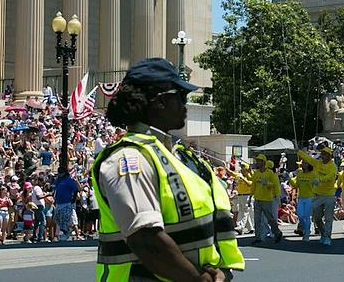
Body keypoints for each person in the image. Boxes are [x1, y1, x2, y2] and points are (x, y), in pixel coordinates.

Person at [92, 57, 244, 281]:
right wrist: (197, 279)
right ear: (160, 102)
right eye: (181, 96)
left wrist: (221, 270)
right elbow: (145, 239)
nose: (185, 104)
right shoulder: (129, 158)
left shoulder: (180, 156)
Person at [297, 145, 339, 246]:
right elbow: (308, 158)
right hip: (317, 195)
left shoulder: (333, 166)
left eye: (325, 154)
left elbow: (330, 177)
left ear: (330, 156)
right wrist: (298, 151)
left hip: (329, 195)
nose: (322, 156)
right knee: (317, 218)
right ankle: (323, 232)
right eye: (322, 154)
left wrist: (320, 180)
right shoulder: (317, 163)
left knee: (328, 218)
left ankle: (327, 237)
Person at [250, 156, 282, 244]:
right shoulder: (256, 173)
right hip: (257, 199)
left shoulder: (270, 173)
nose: (257, 162)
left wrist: (267, 184)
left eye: (259, 161)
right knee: (257, 219)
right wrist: (250, 196)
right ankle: (258, 237)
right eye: (257, 161)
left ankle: (277, 233)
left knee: (270, 219)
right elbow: (253, 185)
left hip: (267, 199)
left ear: (264, 162)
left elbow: (275, 185)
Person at [288, 160, 315, 241]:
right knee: (300, 216)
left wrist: (316, 183)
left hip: (310, 198)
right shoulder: (300, 174)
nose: (303, 164)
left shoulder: (313, 174)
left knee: (306, 216)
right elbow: (296, 185)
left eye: (305, 163)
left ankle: (306, 233)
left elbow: (317, 185)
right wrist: (290, 179)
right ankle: (306, 229)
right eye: (303, 163)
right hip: (301, 197)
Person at [53, 168, 79, 242]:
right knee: (57, 218)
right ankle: (67, 231)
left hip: (67, 203)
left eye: (61, 172)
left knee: (65, 219)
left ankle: (64, 234)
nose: (59, 173)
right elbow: (53, 187)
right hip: (58, 203)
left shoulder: (70, 181)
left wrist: (73, 199)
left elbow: (76, 189)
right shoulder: (58, 180)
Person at [233, 163, 255, 235]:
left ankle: (240, 226)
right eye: (241, 168)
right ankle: (251, 228)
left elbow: (250, 184)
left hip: (247, 196)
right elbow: (232, 173)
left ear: (247, 170)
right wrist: (226, 168)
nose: (242, 169)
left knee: (244, 211)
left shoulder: (251, 176)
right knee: (246, 212)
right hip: (240, 195)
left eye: (243, 168)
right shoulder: (240, 175)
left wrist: (242, 178)